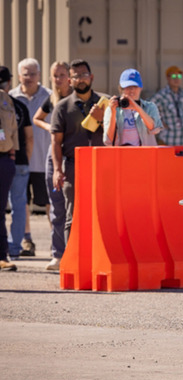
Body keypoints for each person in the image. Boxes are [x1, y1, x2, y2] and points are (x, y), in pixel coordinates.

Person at [51, 59, 106, 243]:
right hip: (73, 168)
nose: (81, 80)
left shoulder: (104, 103)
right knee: (72, 217)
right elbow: (56, 142)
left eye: (84, 75)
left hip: (102, 167)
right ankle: (71, 264)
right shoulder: (62, 107)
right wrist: (58, 170)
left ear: (91, 77)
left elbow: (115, 135)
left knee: (103, 215)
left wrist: (102, 120)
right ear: (69, 81)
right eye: (76, 76)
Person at [9, 58, 52, 257]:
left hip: (43, 160)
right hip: (21, 161)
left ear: (39, 75)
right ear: (18, 76)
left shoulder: (50, 97)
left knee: (49, 202)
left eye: (32, 73)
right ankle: (27, 239)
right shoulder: (10, 98)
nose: (29, 78)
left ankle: (57, 241)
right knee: (23, 202)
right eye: (25, 74)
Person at [33, 61, 73, 271]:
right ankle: (58, 254)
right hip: (53, 155)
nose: (58, 79)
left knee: (73, 207)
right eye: (54, 76)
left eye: (62, 75)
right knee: (56, 205)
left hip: (72, 155)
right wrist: (51, 126)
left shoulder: (77, 97)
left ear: (70, 77)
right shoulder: (52, 99)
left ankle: (74, 252)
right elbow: (37, 118)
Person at [2, 67, 34, 263]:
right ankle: (15, 247)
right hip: (19, 161)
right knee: (19, 206)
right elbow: (29, 138)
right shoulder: (18, 106)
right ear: (9, 82)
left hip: (4, 158)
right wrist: (25, 159)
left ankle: (4, 248)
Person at [104, 69, 162, 146]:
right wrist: (113, 112)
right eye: (127, 86)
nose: (132, 90)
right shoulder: (112, 108)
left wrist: (137, 108)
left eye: (135, 86)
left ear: (141, 87)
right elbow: (108, 140)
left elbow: (154, 129)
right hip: (121, 155)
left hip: (145, 155)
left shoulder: (150, 107)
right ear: (121, 89)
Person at [0, 69, 19, 271]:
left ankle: (1, 255)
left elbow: (11, 129)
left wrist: (12, 155)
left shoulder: (6, 100)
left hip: (4, 160)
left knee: (0, 212)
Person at [150, 66, 183, 146]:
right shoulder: (161, 95)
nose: (176, 79)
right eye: (173, 76)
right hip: (167, 140)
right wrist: (159, 122)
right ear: (167, 78)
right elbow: (147, 108)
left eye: (179, 76)